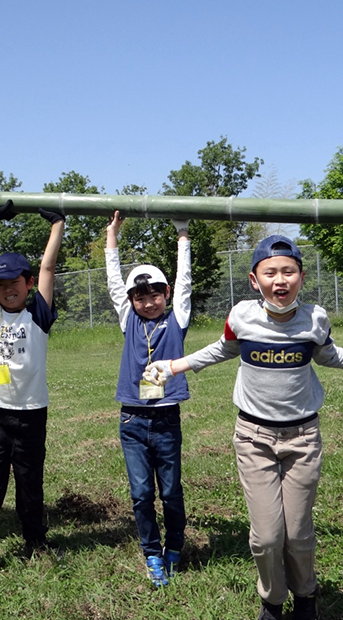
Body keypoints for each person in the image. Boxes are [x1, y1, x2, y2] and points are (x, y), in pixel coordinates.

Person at [144, 235, 343, 620]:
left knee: (298, 532)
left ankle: (306, 597)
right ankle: (272, 602)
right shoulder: (242, 317)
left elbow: (329, 355)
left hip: (303, 439)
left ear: (301, 277)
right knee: (268, 536)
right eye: (271, 272)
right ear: (254, 279)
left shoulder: (315, 319)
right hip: (254, 438)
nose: (280, 280)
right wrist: (174, 366)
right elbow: (220, 349)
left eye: (289, 271)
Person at [0, 202, 65, 582]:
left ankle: (35, 540)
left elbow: (48, 267)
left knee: (30, 482)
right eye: (0, 286)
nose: (6, 290)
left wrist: (58, 224)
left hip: (32, 412)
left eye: (13, 284)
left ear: (27, 284)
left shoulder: (38, 313)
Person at [105, 211, 191, 587]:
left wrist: (183, 235)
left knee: (170, 491)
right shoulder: (129, 322)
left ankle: (174, 547)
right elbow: (112, 281)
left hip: (166, 419)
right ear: (132, 301)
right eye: (140, 296)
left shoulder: (177, 319)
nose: (149, 301)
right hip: (132, 421)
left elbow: (185, 280)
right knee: (141, 494)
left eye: (155, 294)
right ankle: (152, 554)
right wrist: (112, 235)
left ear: (166, 294)